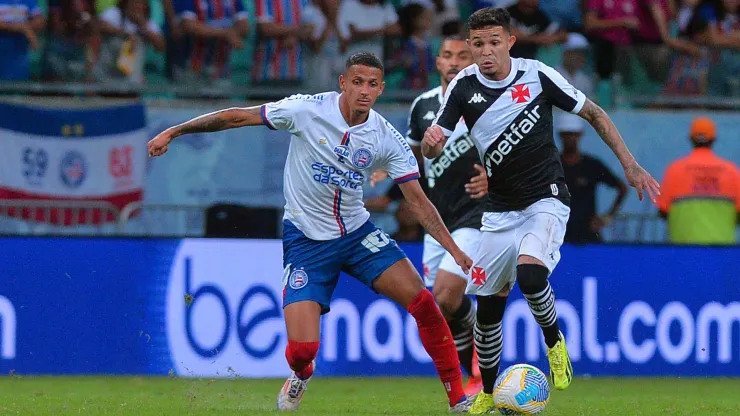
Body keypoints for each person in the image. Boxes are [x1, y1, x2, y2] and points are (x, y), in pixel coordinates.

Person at [148, 52, 475, 413]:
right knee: (302, 352)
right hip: (306, 241)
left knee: (425, 305)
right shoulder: (306, 111)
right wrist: (174, 131)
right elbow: (236, 117)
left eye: (371, 84)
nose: (363, 91)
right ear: (343, 83)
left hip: (357, 234)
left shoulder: (386, 138)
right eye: (357, 82)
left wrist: (454, 249)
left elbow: (418, 202)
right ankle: (301, 374)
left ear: (381, 89)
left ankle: (458, 400)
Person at [422, 7, 660, 414]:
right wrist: (430, 143)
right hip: (497, 211)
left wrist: (630, 164)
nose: (485, 52)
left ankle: (554, 343)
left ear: (510, 42)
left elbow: (594, 113)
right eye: (477, 44)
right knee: (489, 307)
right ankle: (488, 391)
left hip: (545, 199)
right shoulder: (462, 87)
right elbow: (434, 144)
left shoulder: (537, 75)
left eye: (494, 42)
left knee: (531, 275)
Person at [370, 34, 487, 396]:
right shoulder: (422, 106)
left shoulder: (486, 102)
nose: (453, 62)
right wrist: (387, 169)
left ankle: (482, 359)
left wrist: (493, 176)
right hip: (437, 218)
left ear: (472, 62)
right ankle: (474, 377)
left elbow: (512, 150)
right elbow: (415, 159)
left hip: (477, 214)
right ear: (437, 62)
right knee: (444, 307)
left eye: (462, 56)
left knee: (448, 295)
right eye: (447, 56)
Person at [656, 116, 740, 244]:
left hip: (683, 250)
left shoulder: (675, 169)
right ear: (714, 139)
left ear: (691, 138)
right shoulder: (731, 171)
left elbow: (662, 212)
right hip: (723, 251)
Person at [558, 113, 627, 244]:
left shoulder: (592, 165)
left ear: (580, 135)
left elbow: (622, 188)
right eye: (567, 134)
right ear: (560, 136)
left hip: (588, 235)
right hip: (560, 235)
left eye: (574, 134)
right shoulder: (553, 166)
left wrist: (607, 217)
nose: (571, 138)